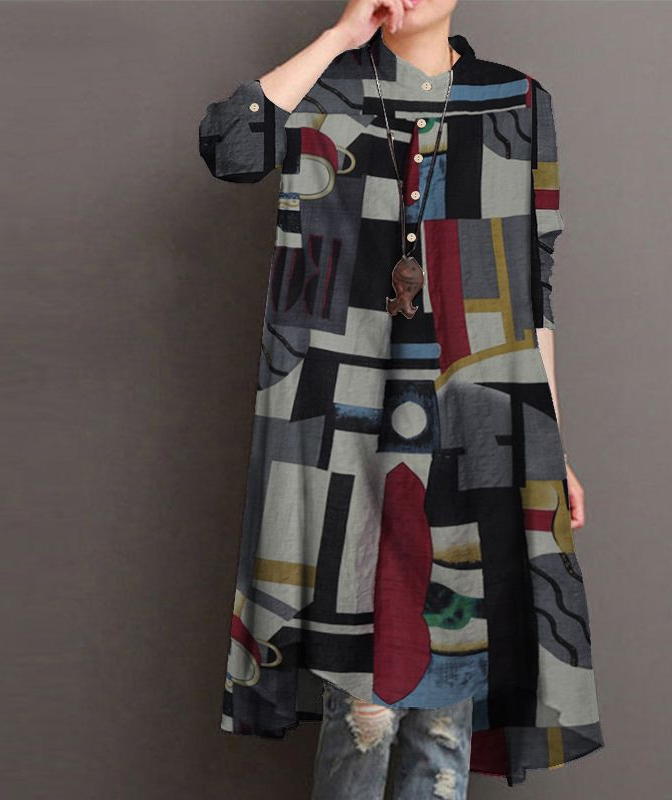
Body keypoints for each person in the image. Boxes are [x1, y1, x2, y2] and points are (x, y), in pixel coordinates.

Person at [199, 0, 604, 795]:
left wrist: (552, 445)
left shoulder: (517, 102)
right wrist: (338, 37)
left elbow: (532, 293)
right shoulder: (325, 90)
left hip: (479, 429)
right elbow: (230, 147)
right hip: (341, 435)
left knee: (446, 717)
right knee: (366, 712)